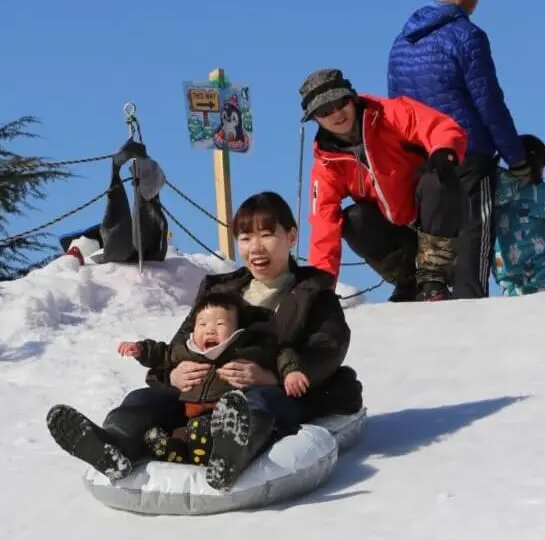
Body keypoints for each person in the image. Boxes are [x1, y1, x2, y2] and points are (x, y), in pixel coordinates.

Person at [45, 191, 363, 491]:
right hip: (202, 391)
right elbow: (181, 344)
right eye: (246, 237)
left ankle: (230, 451)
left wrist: (273, 377)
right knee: (145, 398)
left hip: (271, 395)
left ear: (291, 237)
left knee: (257, 404)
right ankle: (113, 445)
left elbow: (328, 348)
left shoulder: (311, 293)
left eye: (267, 235)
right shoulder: (220, 292)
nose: (256, 248)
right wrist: (172, 374)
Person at [387, 0, 539, 300]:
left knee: (434, 253)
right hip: (470, 156)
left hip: (425, 161)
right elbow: (489, 102)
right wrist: (515, 157)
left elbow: (398, 109)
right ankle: (471, 321)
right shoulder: (467, 36)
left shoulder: (401, 42)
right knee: (474, 245)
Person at [300, 68, 468, 301]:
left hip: (435, 216)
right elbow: (323, 226)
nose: (337, 114)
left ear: (353, 98)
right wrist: (320, 291)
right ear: (315, 118)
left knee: (436, 180)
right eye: (325, 111)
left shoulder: (387, 113)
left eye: (341, 103)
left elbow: (439, 126)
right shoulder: (327, 164)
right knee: (354, 220)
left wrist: (444, 150)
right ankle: (408, 280)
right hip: (397, 233)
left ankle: (433, 277)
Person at [118, 290, 298, 465]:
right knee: (182, 431)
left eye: (220, 324)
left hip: (224, 415)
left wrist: (290, 372)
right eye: (202, 324)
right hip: (190, 414)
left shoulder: (246, 350)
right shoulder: (185, 350)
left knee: (209, 429)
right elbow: (163, 354)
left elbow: (280, 355)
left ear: (237, 328)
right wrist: (141, 350)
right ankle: (170, 449)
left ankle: (220, 454)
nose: (210, 330)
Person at [492, 134, 545, 296]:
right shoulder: (538, 193)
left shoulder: (495, 189)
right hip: (541, 268)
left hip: (506, 269)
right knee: (541, 311)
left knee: (514, 311)